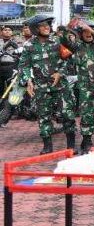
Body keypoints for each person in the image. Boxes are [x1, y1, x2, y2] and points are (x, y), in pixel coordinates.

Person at [18, 14, 77, 154]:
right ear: (34, 28)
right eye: (43, 25)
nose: (47, 27)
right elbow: (23, 66)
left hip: (61, 86)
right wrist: (28, 80)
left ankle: (71, 146)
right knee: (44, 117)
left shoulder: (57, 41)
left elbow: (68, 59)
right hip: (41, 88)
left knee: (67, 114)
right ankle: (47, 146)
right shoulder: (29, 46)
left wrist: (60, 73)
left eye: (48, 25)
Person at [60, 17, 94, 151]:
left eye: (92, 32)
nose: (88, 34)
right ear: (80, 34)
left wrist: (91, 30)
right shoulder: (77, 47)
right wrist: (68, 29)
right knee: (86, 114)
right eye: (85, 32)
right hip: (85, 87)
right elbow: (64, 40)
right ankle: (87, 141)